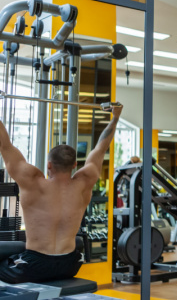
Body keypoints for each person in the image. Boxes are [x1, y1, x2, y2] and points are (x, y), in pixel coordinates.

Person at [0, 103, 123, 283]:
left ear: (49, 165)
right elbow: (100, 148)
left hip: (34, 265)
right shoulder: (83, 183)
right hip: (70, 263)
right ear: (74, 165)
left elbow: (5, 145)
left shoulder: (33, 183)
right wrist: (116, 117)